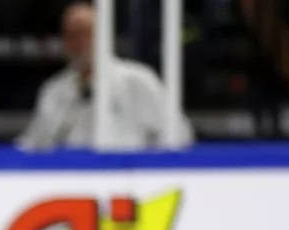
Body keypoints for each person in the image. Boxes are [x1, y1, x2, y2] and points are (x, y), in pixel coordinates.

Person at [17, 1, 193, 150]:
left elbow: (180, 135)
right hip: (71, 181)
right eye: (70, 35)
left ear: (103, 35)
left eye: (85, 33)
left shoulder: (137, 80)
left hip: (128, 180)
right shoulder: (54, 91)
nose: (78, 42)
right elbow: (31, 145)